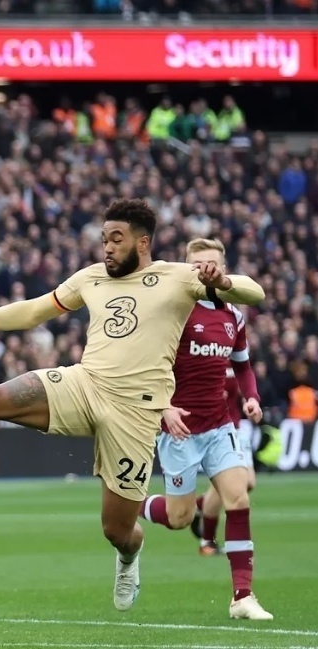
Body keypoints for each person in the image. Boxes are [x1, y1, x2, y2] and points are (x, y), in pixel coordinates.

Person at [0, 199, 265, 613]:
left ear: (142, 243)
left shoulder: (179, 277)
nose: (107, 247)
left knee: (117, 530)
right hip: (83, 384)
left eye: (116, 239)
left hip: (135, 415)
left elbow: (255, 292)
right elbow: (30, 313)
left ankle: (130, 557)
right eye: (103, 239)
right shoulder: (91, 278)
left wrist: (223, 281)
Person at [137, 238, 272, 620]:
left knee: (240, 498)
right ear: (186, 268)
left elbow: (243, 365)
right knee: (180, 519)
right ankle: (130, 506)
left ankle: (242, 597)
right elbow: (146, 367)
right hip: (179, 429)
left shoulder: (234, 314)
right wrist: (164, 409)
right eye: (197, 264)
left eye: (211, 263)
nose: (205, 269)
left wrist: (252, 398)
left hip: (219, 425)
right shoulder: (173, 311)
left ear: (224, 267)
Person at [190, 367, 258, 556]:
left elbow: (245, 380)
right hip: (219, 430)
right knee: (231, 485)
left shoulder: (235, 352)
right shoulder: (206, 355)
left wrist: (250, 400)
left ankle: (201, 505)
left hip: (236, 428)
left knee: (248, 482)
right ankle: (207, 541)